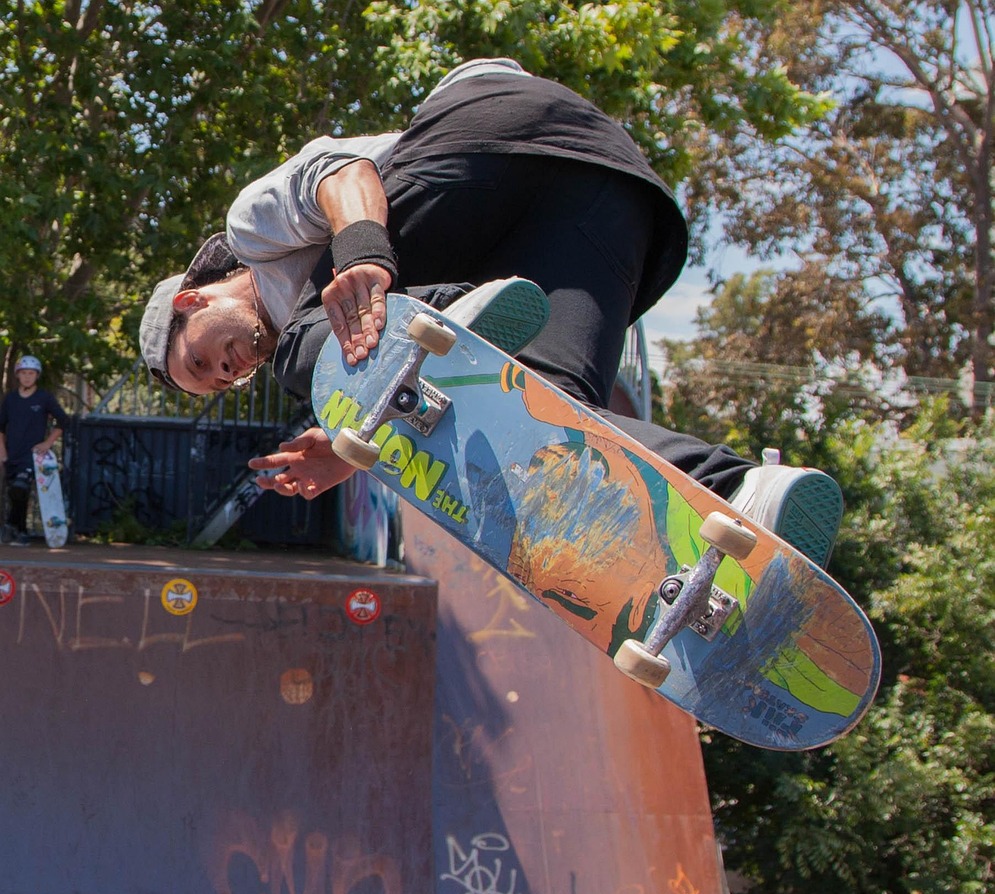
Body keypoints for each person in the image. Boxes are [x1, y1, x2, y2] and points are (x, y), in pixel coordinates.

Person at [140, 58, 843, 568]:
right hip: (611, 190)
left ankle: (450, 321)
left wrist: (364, 257)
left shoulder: (251, 234)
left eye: (203, 357)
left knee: (308, 349)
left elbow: (342, 172)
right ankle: (740, 490)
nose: (229, 370)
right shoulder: (334, 351)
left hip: (494, 133)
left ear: (193, 299)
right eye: (220, 383)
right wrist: (362, 444)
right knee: (545, 423)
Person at [0, 354, 67, 546]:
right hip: (12, 453)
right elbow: (1, 427)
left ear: (37, 375)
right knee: (16, 493)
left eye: (31, 373)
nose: (27, 377)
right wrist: (2, 451)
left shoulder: (44, 398)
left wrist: (47, 443)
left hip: (32, 456)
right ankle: (17, 529)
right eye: (23, 373)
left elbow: (63, 421)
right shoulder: (10, 399)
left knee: (20, 488)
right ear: (17, 375)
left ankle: (17, 528)